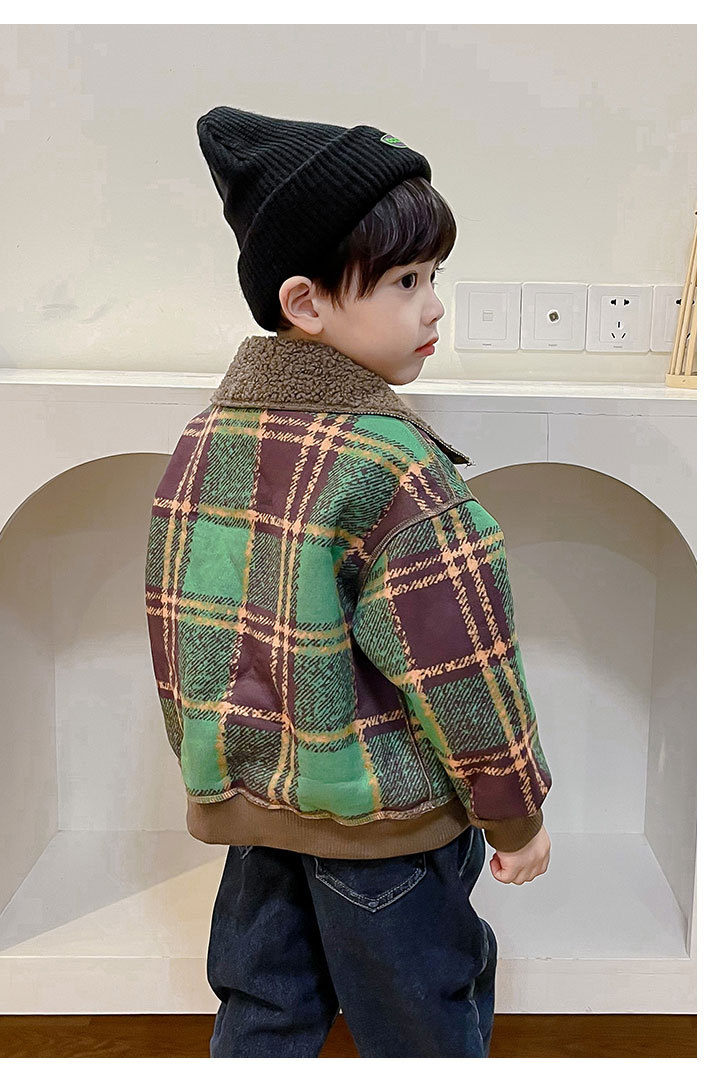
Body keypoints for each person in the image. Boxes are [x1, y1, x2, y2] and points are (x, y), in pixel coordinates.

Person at [144, 105, 553, 1058]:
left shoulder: (205, 444)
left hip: (261, 822)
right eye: (407, 280)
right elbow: (465, 668)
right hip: (386, 833)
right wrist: (514, 814)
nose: (433, 306)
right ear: (306, 302)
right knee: (421, 1024)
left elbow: (182, 634)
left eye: (434, 277)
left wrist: (227, 780)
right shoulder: (393, 467)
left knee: (264, 1012)